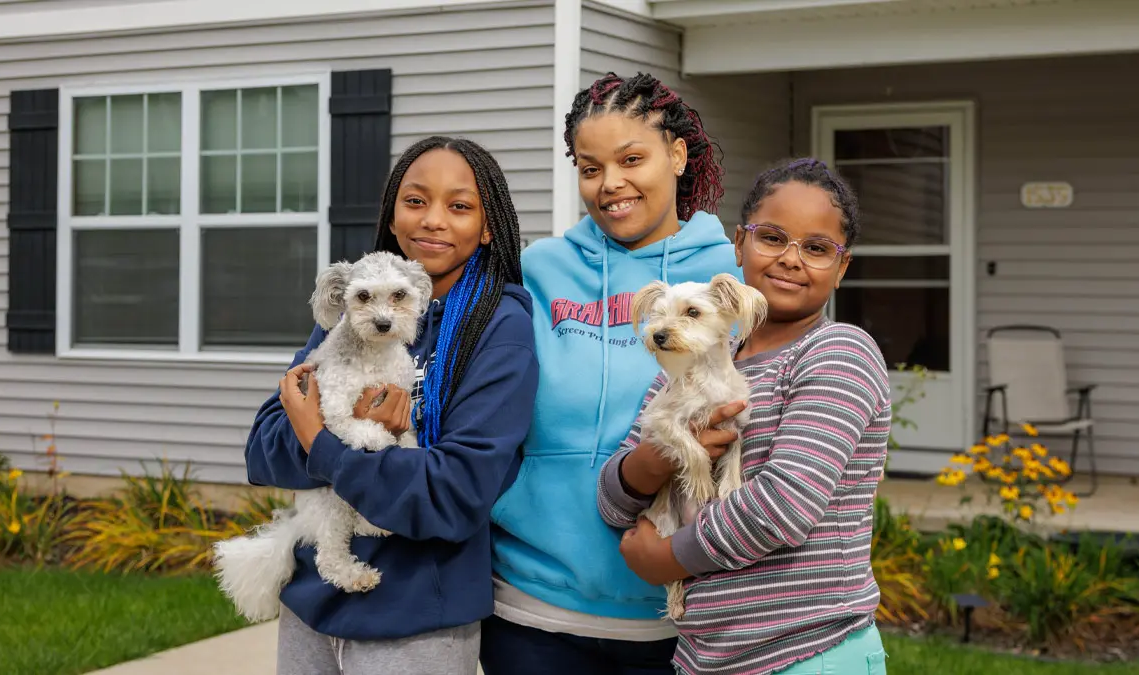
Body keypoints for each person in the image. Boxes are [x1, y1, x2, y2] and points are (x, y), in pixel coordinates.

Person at [245, 136, 539, 675]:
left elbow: (454, 493)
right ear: (392, 213)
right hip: (311, 604)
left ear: (488, 224)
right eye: (415, 200)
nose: (433, 221)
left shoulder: (500, 328)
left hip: (416, 618)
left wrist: (321, 442)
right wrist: (343, 428)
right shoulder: (351, 311)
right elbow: (263, 449)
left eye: (459, 206)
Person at [480, 72, 742, 675]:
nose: (610, 185)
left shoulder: (728, 273)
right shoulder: (540, 269)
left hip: (681, 613)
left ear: (677, 155)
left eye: (632, 159)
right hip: (532, 607)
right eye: (590, 167)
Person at [601, 157, 892, 675]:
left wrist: (665, 558)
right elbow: (613, 497)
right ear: (739, 243)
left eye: (818, 248)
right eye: (772, 237)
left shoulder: (838, 352)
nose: (791, 259)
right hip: (705, 658)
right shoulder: (694, 356)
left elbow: (783, 505)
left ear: (842, 268)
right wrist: (661, 456)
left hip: (807, 652)